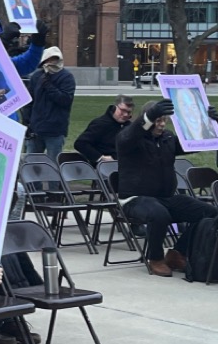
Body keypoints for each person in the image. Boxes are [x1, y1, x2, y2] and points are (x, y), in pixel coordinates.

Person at [115, 99, 218, 277]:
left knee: (211, 213)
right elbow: (126, 138)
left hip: (166, 197)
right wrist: (149, 116)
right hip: (134, 199)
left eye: (165, 120)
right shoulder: (130, 138)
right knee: (158, 213)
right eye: (158, 120)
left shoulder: (168, 138)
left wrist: (212, 123)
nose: (162, 124)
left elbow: (197, 142)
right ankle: (155, 258)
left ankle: (177, 252)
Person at [24, 46, 76, 161]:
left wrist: (48, 85)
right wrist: (27, 123)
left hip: (55, 131)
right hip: (35, 130)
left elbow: (65, 100)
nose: (50, 63)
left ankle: (53, 180)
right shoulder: (36, 76)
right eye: (48, 60)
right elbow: (29, 101)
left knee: (53, 167)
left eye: (54, 59)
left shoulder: (66, 77)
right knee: (31, 166)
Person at [74, 95, 135, 166]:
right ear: (115, 107)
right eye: (123, 110)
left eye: (128, 112)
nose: (125, 114)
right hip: (104, 168)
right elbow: (80, 143)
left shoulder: (130, 127)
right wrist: (101, 158)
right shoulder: (100, 124)